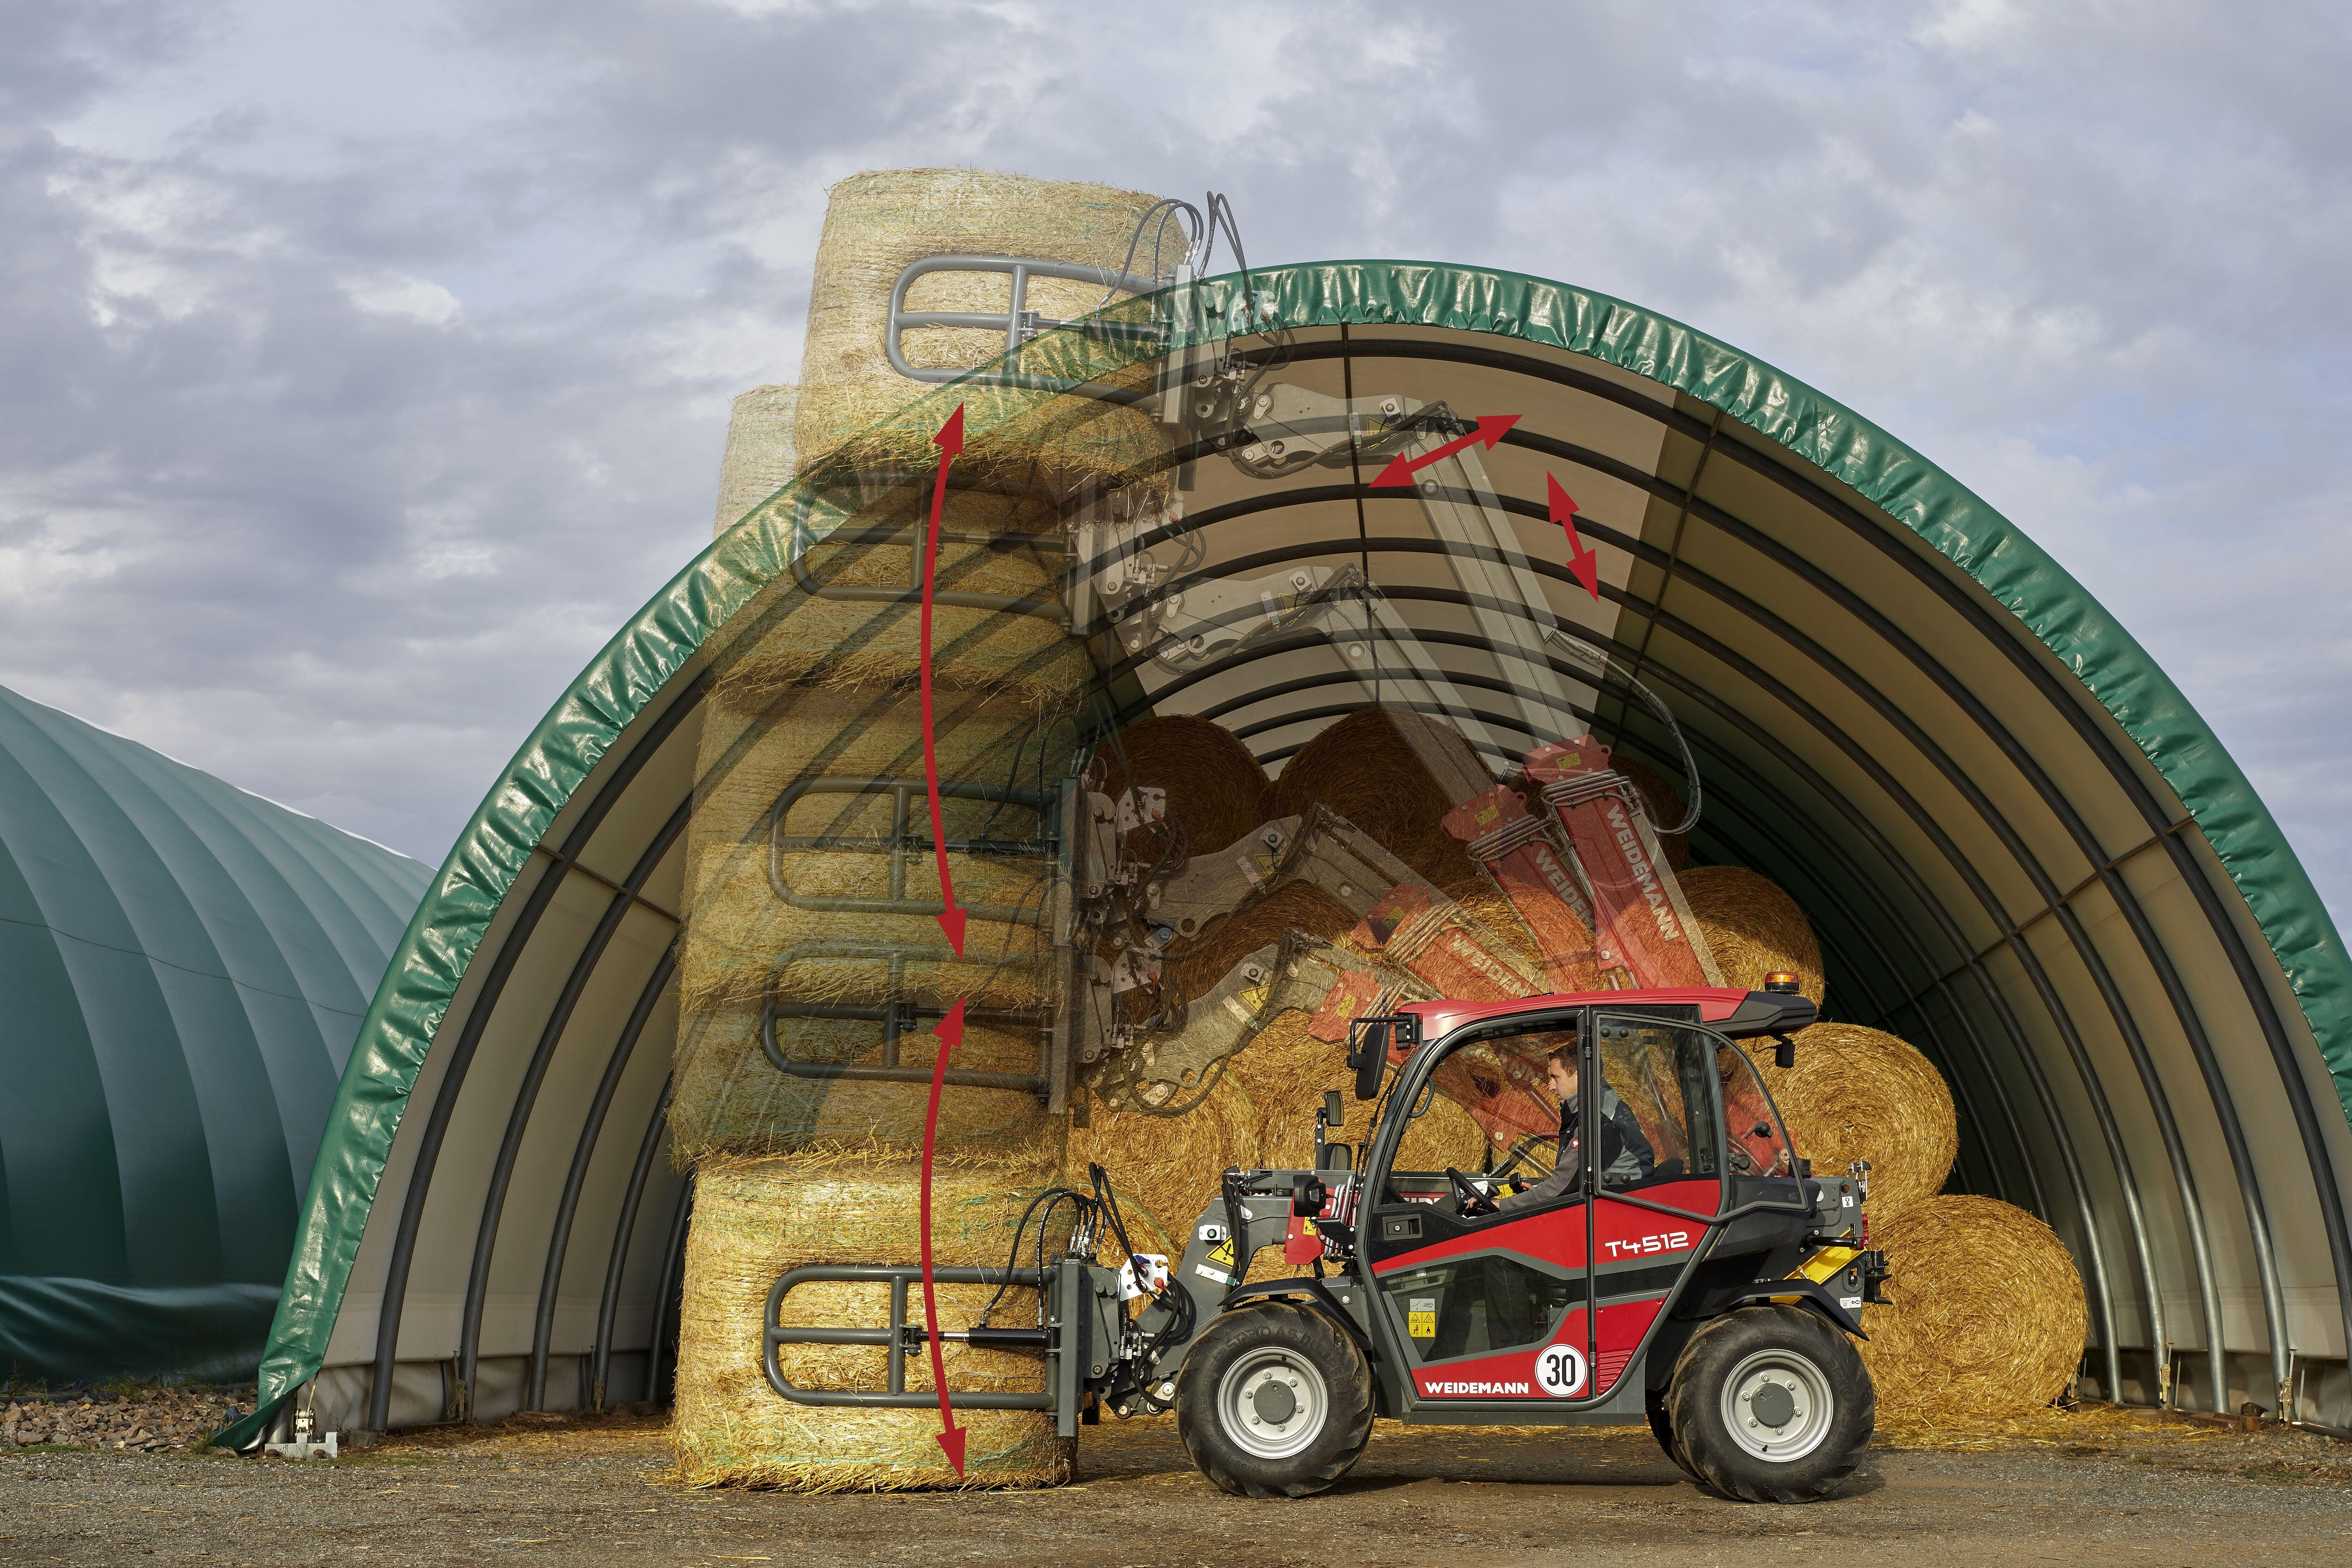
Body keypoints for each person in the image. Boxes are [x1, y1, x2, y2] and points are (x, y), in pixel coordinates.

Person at [1495, 1038, 1654, 1212]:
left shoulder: (1598, 1120)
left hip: (1621, 1209)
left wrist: (1503, 1205)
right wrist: (1539, 1194)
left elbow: (1562, 1184)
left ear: (1580, 1075)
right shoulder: (1594, 1106)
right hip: (1612, 1202)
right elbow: (1570, 1183)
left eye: (1556, 1078)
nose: (1551, 1087)